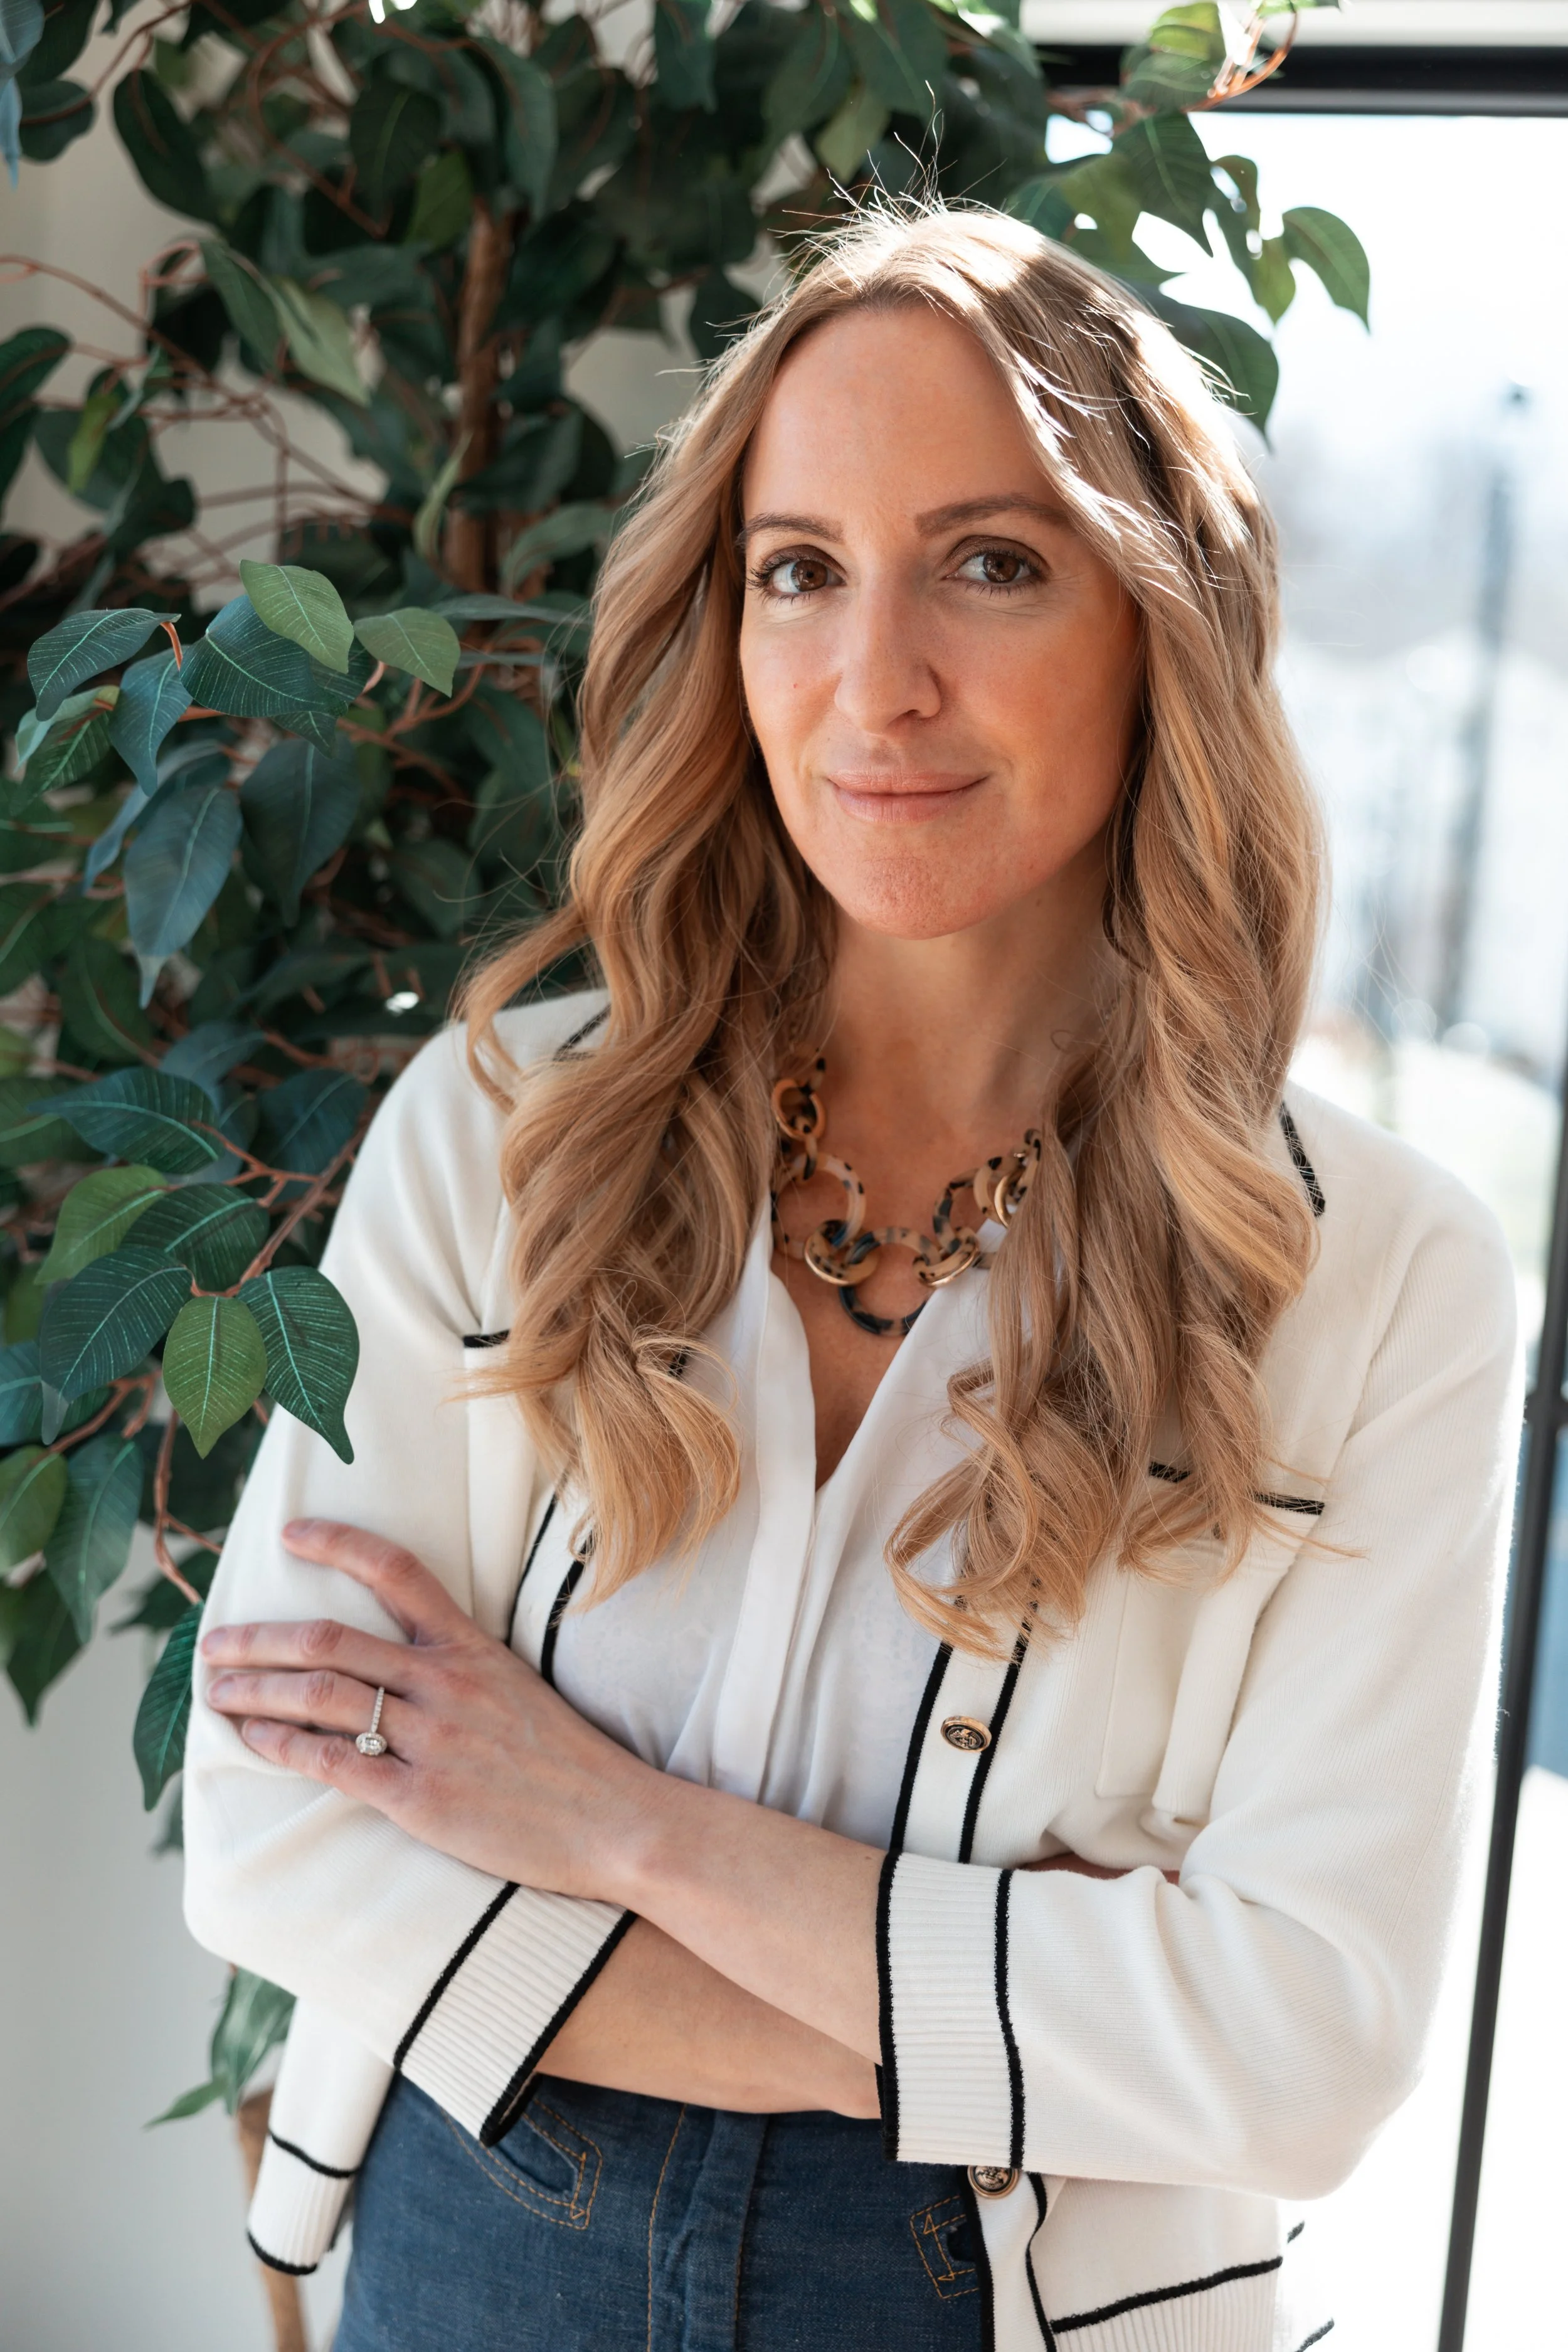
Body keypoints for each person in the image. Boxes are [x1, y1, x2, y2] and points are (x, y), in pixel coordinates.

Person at [183, 204, 1520, 2352]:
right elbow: (271, 1827)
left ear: (1154, 621)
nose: (872, 679)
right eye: (798, 569)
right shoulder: (506, 1129)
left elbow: (1298, 2053)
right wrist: (1021, 2016)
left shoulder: (1383, 1279)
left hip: (1010, 2300)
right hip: (472, 2215)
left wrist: (601, 1817)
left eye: (992, 563)